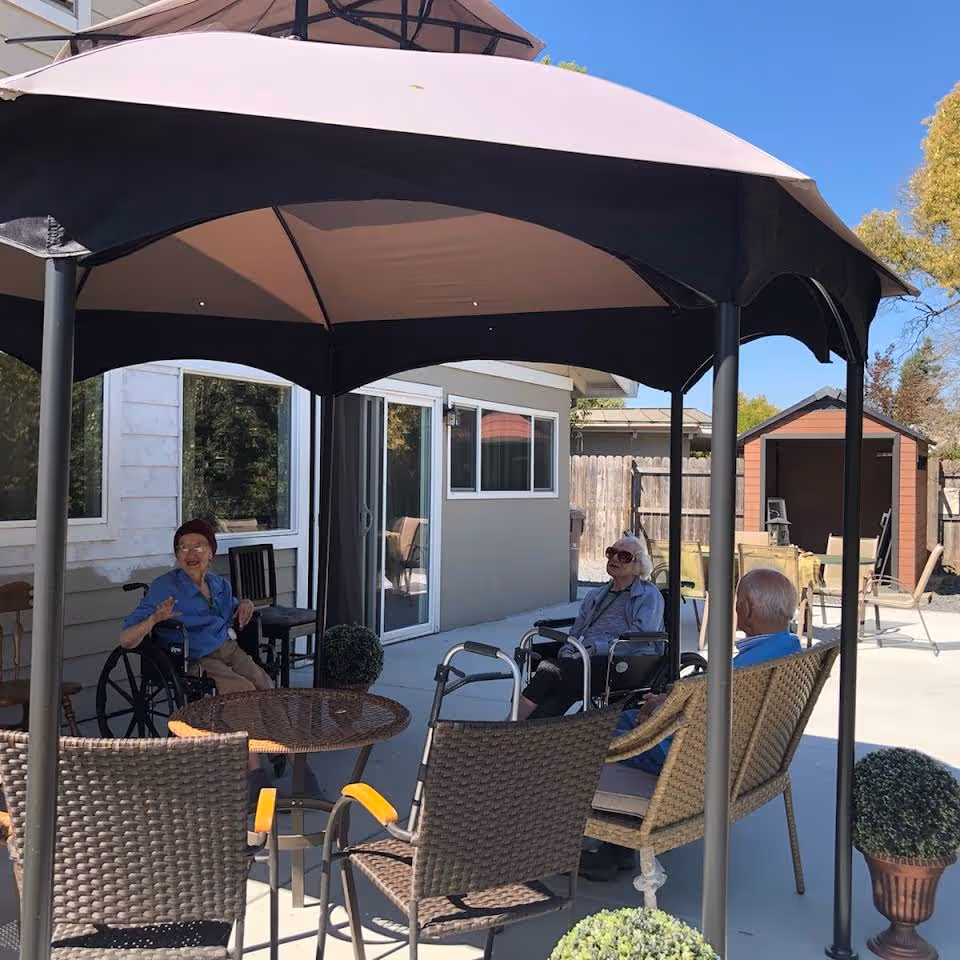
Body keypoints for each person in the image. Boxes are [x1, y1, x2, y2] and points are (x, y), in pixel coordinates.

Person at [581, 566, 803, 881]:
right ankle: (615, 849)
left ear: (747, 608)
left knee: (587, 737)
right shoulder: (788, 651)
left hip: (685, 763)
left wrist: (658, 714)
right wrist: (667, 704)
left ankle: (604, 846)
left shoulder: (747, 672)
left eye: (738, 600)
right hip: (745, 763)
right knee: (620, 719)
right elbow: (713, 708)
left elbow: (696, 723)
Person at [120, 518, 274, 790]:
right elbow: (127, 638)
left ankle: (286, 750)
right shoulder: (164, 586)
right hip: (194, 655)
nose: (190, 554)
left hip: (227, 648)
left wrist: (246, 603)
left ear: (211, 552)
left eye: (198, 547)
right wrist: (156, 617)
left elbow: (234, 608)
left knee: (266, 685)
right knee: (243, 691)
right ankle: (254, 773)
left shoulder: (218, 585)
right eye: (183, 547)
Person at [516, 535, 665, 721]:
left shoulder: (649, 595)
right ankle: (524, 735)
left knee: (549, 669)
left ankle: (509, 728)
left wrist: (594, 650)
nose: (614, 558)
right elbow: (577, 631)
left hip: (620, 660)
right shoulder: (596, 594)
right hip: (583, 658)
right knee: (561, 686)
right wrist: (568, 650)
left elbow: (641, 637)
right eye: (611, 552)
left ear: (638, 566)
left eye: (624, 556)